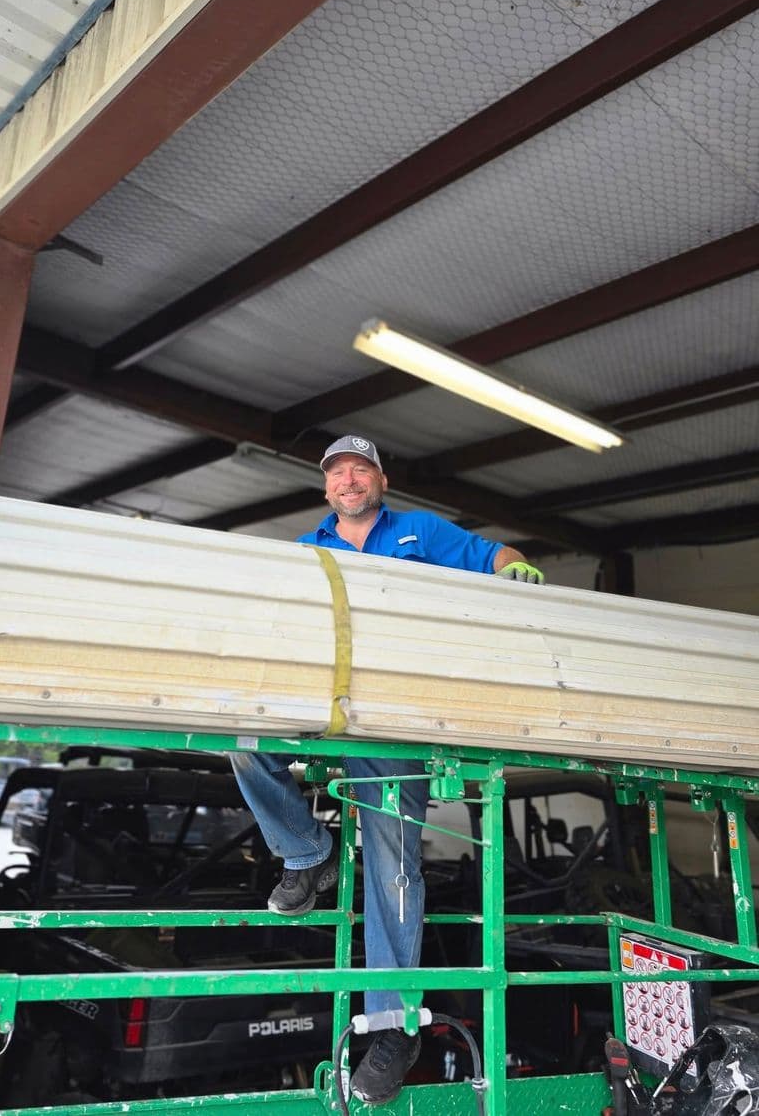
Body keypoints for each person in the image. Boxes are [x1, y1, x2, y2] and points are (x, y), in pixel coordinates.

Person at [230, 433, 544, 1105]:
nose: (349, 479)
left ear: (382, 480)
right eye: (338, 472)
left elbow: (496, 555)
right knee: (248, 739)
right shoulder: (307, 549)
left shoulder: (419, 532)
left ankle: (396, 1030)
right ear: (326, 489)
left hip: (396, 726)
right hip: (324, 714)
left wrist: (516, 570)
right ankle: (306, 849)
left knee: (394, 869)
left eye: (361, 469)